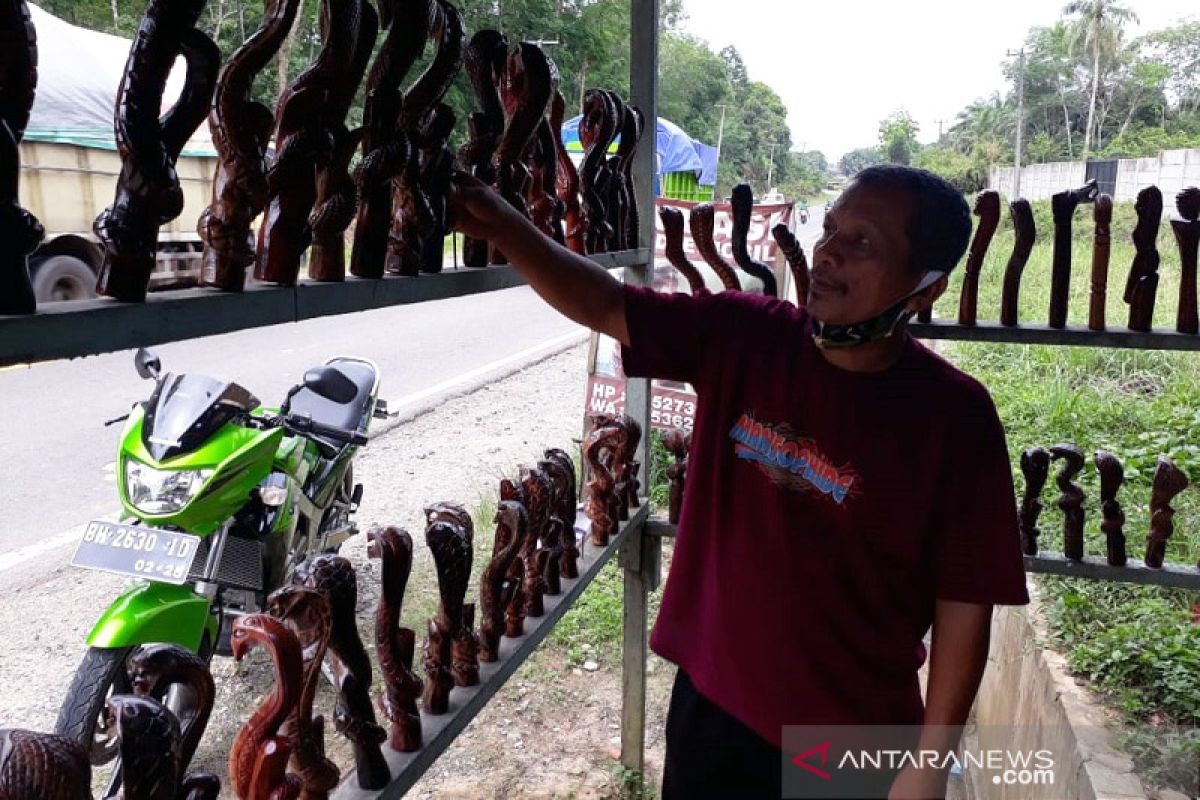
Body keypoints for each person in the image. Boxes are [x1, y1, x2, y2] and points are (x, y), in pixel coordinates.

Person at [448, 165, 1029, 800]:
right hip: (715, 705)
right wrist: (504, 225)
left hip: (848, 733)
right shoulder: (748, 335)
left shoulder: (955, 416)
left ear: (924, 289)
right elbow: (608, 304)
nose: (828, 252)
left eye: (862, 243)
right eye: (831, 229)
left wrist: (927, 766)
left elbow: (965, 604)